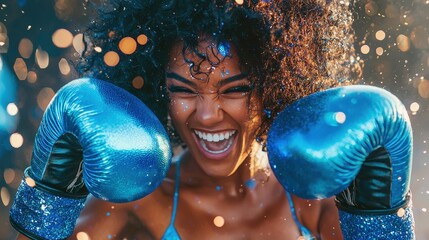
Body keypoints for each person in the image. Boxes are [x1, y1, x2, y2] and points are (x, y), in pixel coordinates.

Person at [10, 0, 415, 239]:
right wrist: (50, 196)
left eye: (235, 89)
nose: (206, 114)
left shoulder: (316, 201)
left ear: (274, 84)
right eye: (184, 90)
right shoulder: (139, 202)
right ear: (158, 91)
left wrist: (377, 218)